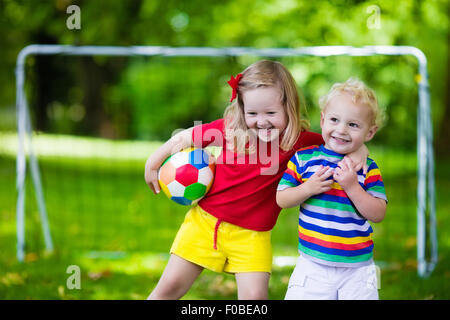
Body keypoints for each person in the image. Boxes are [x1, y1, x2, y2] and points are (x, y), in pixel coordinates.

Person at [144, 61, 368, 300]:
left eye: (270, 113)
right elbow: (187, 136)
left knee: (255, 299)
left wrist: (360, 150)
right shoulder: (231, 130)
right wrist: (154, 161)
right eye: (252, 113)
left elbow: (337, 142)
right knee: (169, 288)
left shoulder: (299, 142)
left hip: (253, 237)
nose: (262, 121)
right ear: (242, 110)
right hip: (204, 226)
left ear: (289, 108)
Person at [276, 78, 387, 300]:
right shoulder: (304, 159)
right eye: (334, 120)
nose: (341, 130)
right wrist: (308, 188)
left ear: (370, 132)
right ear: (323, 119)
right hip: (312, 264)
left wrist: (352, 187)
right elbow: (282, 199)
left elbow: (378, 214)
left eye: (353, 125)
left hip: (357, 268)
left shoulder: (367, 167)